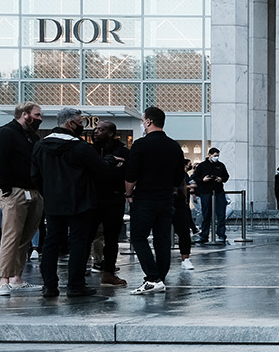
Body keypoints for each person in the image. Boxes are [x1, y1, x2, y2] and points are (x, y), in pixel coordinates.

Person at [31, 108, 114, 298]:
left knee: (52, 242)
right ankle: (75, 285)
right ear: (70, 124)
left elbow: (34, 176)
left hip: (53, 202)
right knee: (79, 243)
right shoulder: (79, 147)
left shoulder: (40, 145)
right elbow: (101, 170)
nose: (82, 126)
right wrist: (110, 161)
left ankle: (49, 285)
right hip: (80, 201)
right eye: (80, 122)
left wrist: (48, 193)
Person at [124, 107, 184, 295]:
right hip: (166, 199)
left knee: (138, 237)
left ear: (149, 121)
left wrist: (128, 194)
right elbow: (178, 177)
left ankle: (152, 277)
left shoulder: (141, 145)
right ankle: (161, 277)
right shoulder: (174, 146)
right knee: (163, 239)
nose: (142, 123)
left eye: (143, 121)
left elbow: (131, 175)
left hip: (145, 198)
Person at [0, 103, 45, 297]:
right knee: (12, 236)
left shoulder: (29, 136)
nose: (40, 118)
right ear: (25, 115)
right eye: (37, 115)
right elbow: (0, 161)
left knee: (24, 237)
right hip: (14, 190)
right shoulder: (5, 133)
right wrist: (5, 188)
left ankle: (16, 278)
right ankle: (4, 280)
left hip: (30, 191)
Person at [91, 121, 129, 287]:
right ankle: (82, 271)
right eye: (96, 129)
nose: (96, 132)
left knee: (112, 237)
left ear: (111, 133)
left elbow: (123, 173)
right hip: (93, 198)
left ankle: (108, 272)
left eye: (101, 130)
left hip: (114, 198)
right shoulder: (90, 150)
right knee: (87, 235)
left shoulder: (123, 151)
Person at [193, 148, 230, 245]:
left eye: (217, 155)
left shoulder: (220, 165)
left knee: (221, 214)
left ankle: (221, 235)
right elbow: (195, 177)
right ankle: (204, 235)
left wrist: (220, 179)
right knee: (206, 214)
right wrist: (203, 179)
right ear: (209, 155)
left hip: (218, 191)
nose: (216, 157)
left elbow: (226, 176)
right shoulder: (202, 166)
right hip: (206, 192)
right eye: (214, 155)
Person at [173, 159, 195, 271]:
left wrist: (185, 202)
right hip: (163, 199)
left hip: (178, 201)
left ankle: (185, 258)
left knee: (184, 231)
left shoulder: (179, 172)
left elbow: (183, 185)